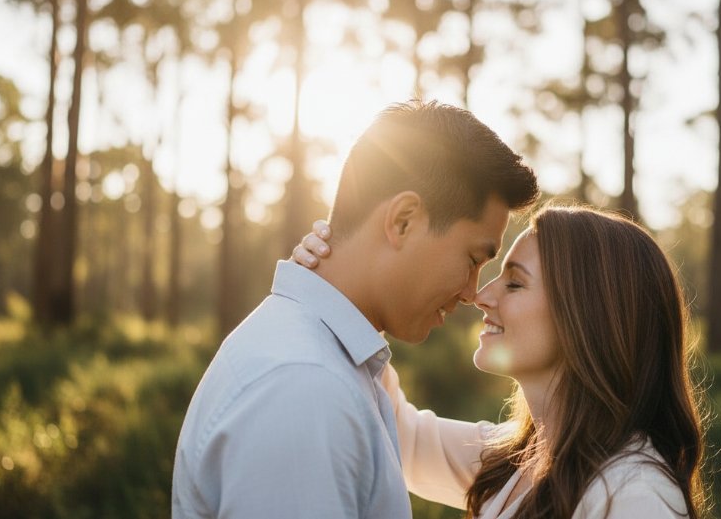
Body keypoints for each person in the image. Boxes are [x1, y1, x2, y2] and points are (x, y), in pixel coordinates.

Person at [171, 100, 539, 519]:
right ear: (402, 221)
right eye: (473, 259)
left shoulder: (328, 364)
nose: (473, 293)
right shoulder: (305, 388)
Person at [294, 204, 709, 518]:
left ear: (586, 314)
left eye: (514, 283)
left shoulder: (634, 495)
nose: (481, 296)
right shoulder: (518, 460)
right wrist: (345, 284)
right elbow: (398, 433)